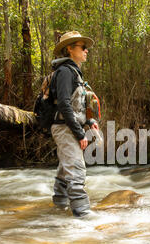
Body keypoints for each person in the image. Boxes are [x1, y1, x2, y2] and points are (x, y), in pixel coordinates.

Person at [49, 31, 98, 217]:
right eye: (82, 47)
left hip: (68, 126)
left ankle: (59, 208)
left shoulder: (74, 72)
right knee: (77, 171)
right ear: (69, 49)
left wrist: (90, 121)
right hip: (64, 128)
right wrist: (79, 133)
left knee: (65, 170)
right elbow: (63, 104)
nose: (86, 51)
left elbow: (78, 105)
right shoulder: (64, 72)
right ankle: (83, 216)